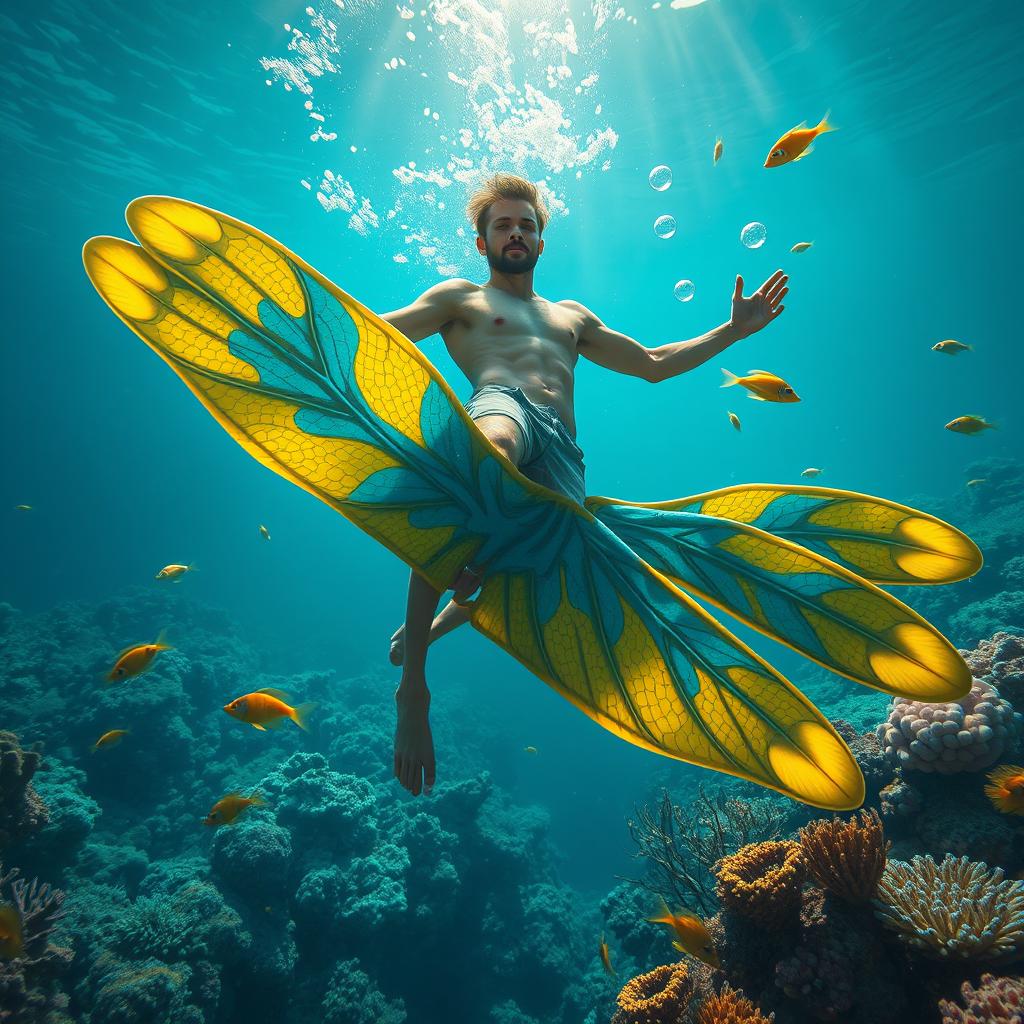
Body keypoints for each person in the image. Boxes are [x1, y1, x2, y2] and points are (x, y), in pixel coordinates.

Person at [380, 173, 789, 798]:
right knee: (487, 460)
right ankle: (415, 689)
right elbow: (384, 329)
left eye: (526, 225)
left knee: (517, 574)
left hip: (566, 454)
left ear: (541, 240)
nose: (515, 232)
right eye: (502, 225)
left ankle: (424, 632)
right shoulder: (459, 298)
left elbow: (652, 364)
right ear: (482, 240)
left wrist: (733, 332)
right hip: (501, 408)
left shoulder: (571, 316)